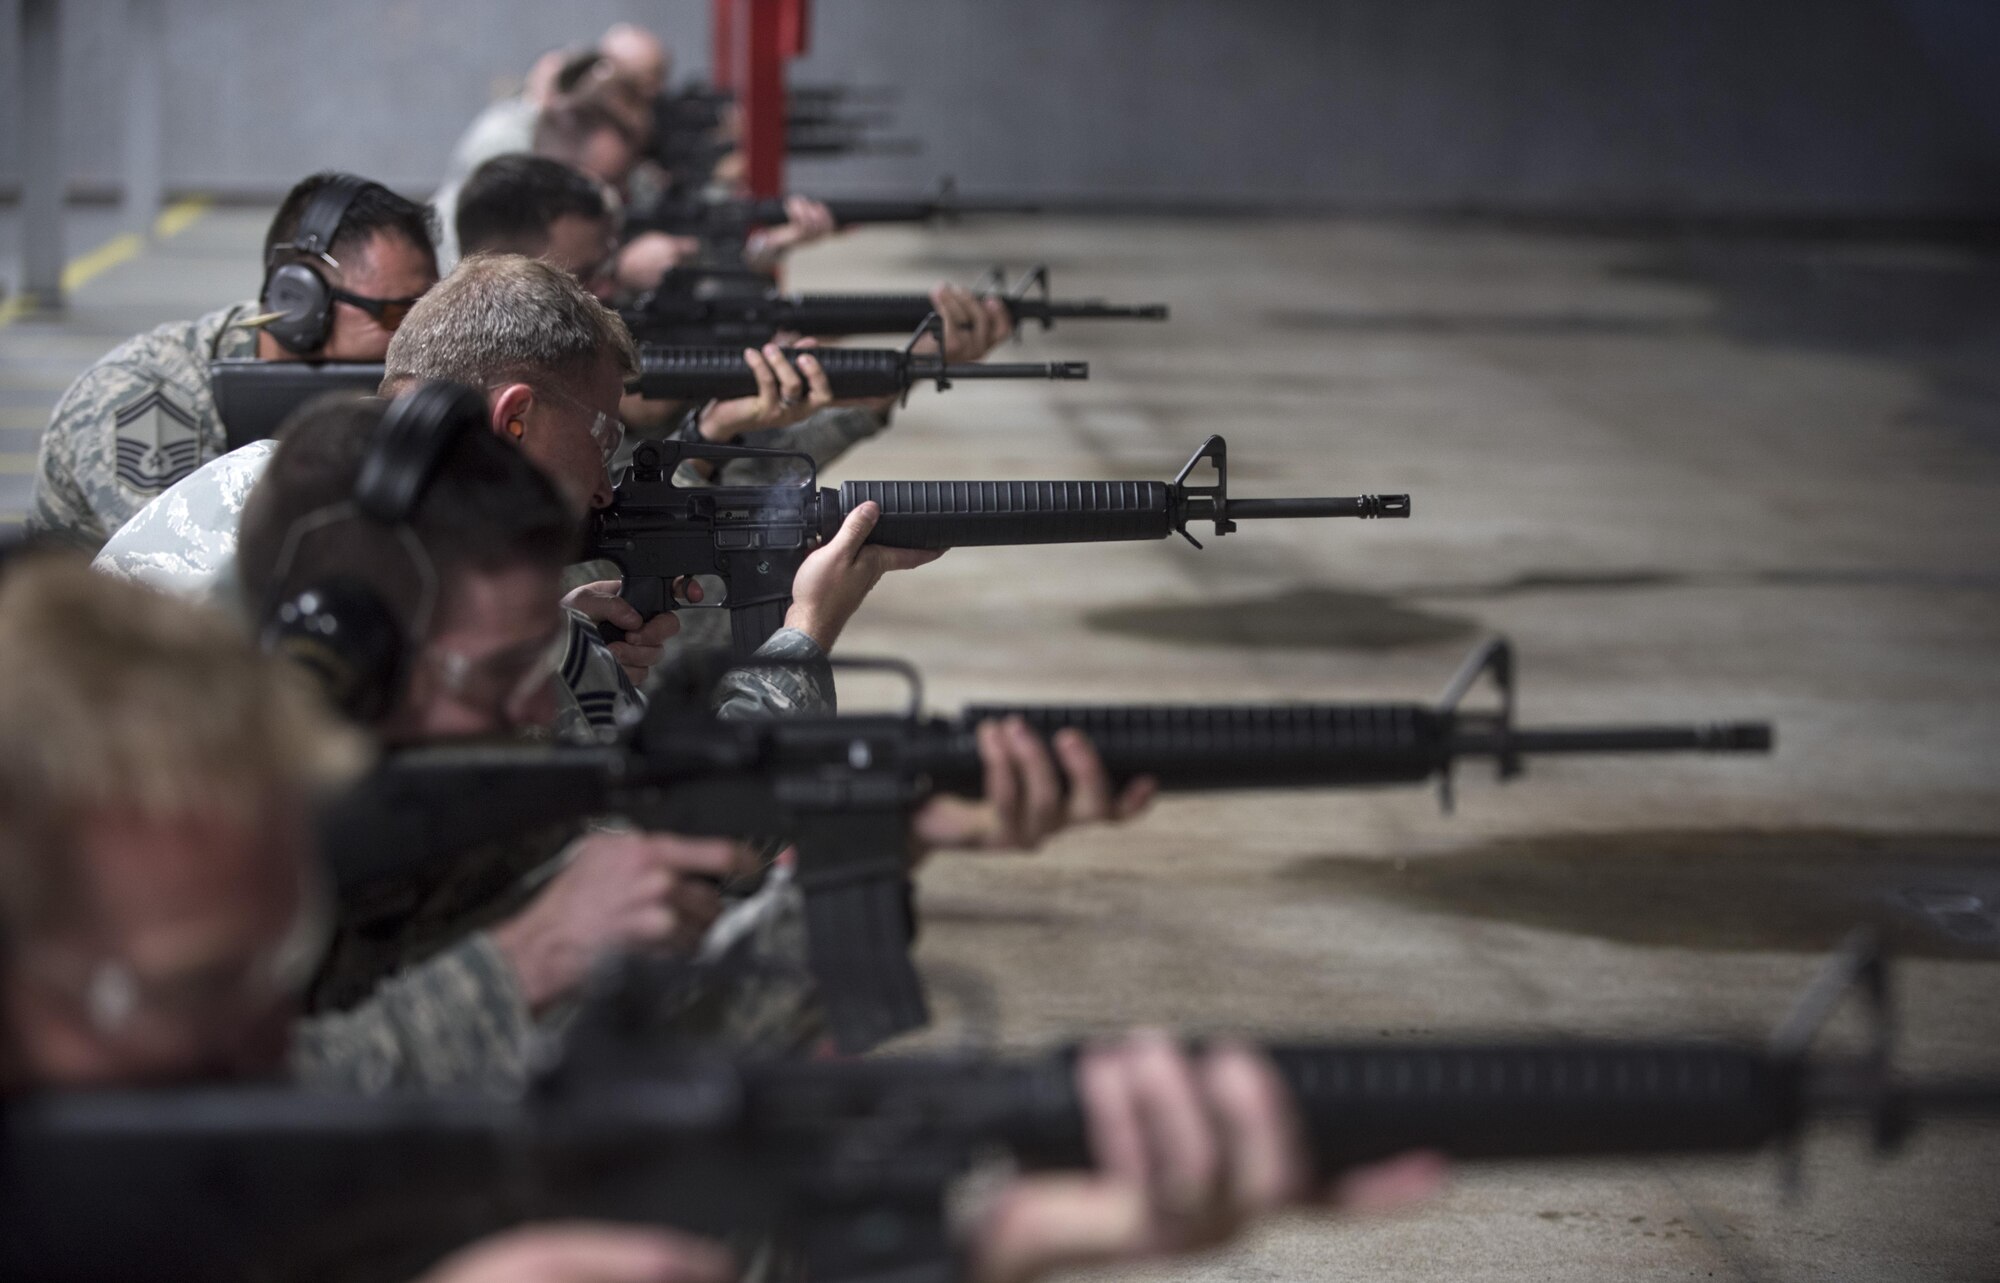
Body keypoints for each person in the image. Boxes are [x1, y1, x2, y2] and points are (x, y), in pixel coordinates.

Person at [0, 553, 1442, 1282]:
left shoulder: (187, 1109)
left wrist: (986, 1234)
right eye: (194, 988)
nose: (276, 1043)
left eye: (279, 958)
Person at [234, 389, 1149, 1090]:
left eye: (537, 659)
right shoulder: (183, 832)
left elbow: (629, 1065)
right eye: (497, 669)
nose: (531, 706)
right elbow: (229, 1144)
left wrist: (878, 848)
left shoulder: (412, 780)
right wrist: (529, 958)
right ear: (348, 651)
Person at [27, 172, 437, 552]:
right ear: (300, 302)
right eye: (397, 314)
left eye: (430, 309)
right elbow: (180, 579)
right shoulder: (144, 397)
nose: (421, 333)